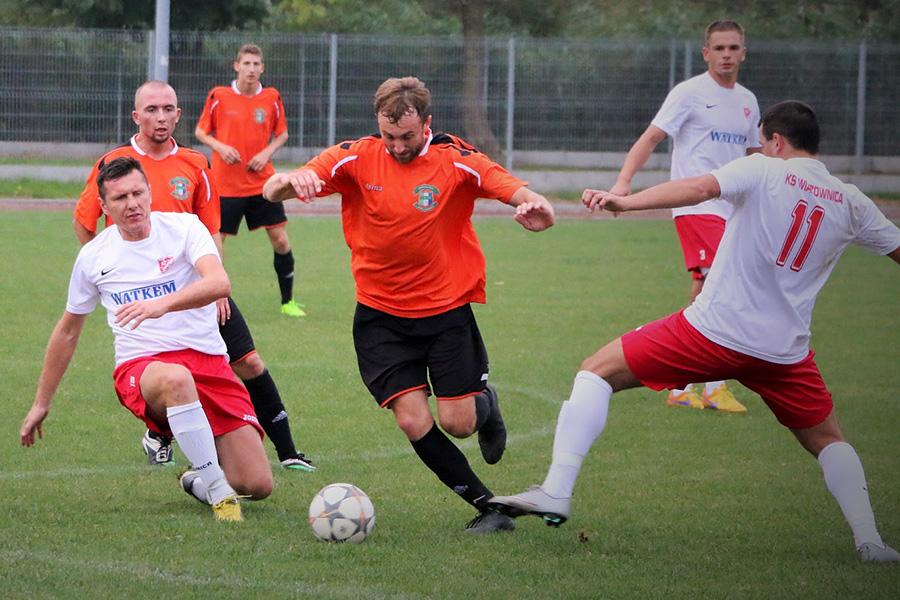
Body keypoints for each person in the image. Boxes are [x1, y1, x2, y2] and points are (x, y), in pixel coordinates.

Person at [489, 101, 900, 562]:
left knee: (596, 371)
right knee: (828, 440)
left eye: (760, 141)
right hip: (783, 352)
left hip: (712, 332)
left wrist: (626, 201)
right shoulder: (851, 200)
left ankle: (556, 490)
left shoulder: (763, 169)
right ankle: (871, 542)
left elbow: (699, 187)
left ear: (776, 141)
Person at [263, 76, 556, 533]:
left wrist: (535, 205)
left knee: (458, 423)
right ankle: (490, 508)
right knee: (412, 419)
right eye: (389, 136)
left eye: (408, 137)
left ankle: (486, 404)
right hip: (380, 318)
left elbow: (508, 185)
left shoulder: (454, 159)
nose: (398, 147)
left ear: (427, 123)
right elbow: (273, 191)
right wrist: (287, 180)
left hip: (445, 313)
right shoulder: (355, 158)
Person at [73, 80, 315, 472]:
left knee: (249, 362)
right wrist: (111, 276)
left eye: (168, 109)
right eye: (151, 110)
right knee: (167, 375)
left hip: (196, 288)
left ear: (179, 114)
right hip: (144, 299)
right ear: (136, 116)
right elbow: (85, 224)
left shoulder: (195, 163)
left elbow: (211, 229)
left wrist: (215, 289)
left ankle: (288, 452)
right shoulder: (114, 164)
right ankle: (163, 434)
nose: (161, 117)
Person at [21, 157, 275, 522]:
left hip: (208, 362)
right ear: (104, 206)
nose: (132, 204)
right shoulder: (93, 256)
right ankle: (221, 496)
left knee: (257, 484)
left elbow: (219, 283)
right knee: (176, 379)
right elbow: (68, 329)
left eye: (138, 193)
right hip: (141, 368)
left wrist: (161, 305)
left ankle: (199, 479)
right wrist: (41, 402)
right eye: (120, 198)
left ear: (150, 193)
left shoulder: (185, 228)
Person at [609, 20, 761, 412]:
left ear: (743, 53)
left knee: (707, 288)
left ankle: (683, 383)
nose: (726, 54)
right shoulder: (690, 93)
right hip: (697, 206)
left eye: (733, 48)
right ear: (706, 53)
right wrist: (623, 184)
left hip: (732, 210)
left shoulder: (748, 101)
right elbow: (651, 138)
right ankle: (711, 384)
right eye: (719, 48)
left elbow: (753, 157)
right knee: (725, 285)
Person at [195, 44, 305, 318]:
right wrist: (220, 147)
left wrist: (266, 153)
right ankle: (213, 300)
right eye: (247, 63)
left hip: (262, 184)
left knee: (280, 240)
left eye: (256, 64)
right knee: (215, 243)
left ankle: (288, 302)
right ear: (237, 66)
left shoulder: (271, 97)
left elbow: (282, 134)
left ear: (262, 68)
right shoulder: (219, 96)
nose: (251, 69)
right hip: (226, 185)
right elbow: (201, 131)